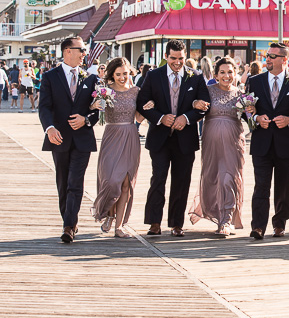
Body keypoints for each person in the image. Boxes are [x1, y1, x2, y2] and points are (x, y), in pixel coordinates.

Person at [137, 39, 211, 237]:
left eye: (181, 58)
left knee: (182, 181)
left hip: (185, 139)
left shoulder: (195, 77)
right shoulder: (153, 76)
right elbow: (141, 102)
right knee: (158, 179)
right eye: (173, 59)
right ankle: (154, 222)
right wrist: (161, 118)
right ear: (165, 57)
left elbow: (205, 106)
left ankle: (177, 224)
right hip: (160, 138)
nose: (177, 62)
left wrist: (186, 118)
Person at [38, 37, 100, 243]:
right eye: (81, 50)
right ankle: (69, 219)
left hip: (82, 139)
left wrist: (86, 120)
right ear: (67, 51)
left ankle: (68, 226)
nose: (84, 54)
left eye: (85, 50)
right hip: (59, 138)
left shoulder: (90, 79)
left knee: (76, 182)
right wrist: (49, 128)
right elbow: (44, 107)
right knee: (63, 182)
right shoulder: (49, 77)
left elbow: (97, 111)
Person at [246, 42, 289, 239]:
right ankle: (258, 227)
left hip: (286, 143)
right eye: (267, 56)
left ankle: (280, 224)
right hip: (261, 142)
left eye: (272, 56)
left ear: (284, 59)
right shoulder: (254, 81)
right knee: (261, 186)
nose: (267, 59)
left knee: (283, 186)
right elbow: (245, 110)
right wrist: (255, 119)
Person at [188, 57, 246, 236]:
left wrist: (251, 111)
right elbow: (196, 109)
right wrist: (194, 103)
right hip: (211, 144)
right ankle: (217, 214)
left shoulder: (241, 95)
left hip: (233, 143)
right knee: (213, 178)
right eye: (222, 72)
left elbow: (248, 116)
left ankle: (226, 220)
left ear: (235, 74)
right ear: (216, 75)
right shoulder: (207, 91)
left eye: (230, 72)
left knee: (228, 178)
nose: (226, 76)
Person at [91, 58, 144, 238]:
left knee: (125, 183)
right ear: (112, 75)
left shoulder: (136, 91)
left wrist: (147, 109)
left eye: (125, 74)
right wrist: (94, 105)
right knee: (111, 180)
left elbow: (138, 118)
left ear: (130, 73)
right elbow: (94, 112)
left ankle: (119, 225)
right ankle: (108, 213)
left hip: (130, 135)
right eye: (118, 74)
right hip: (112, 135)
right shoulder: (106, 91)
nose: (122, 77)